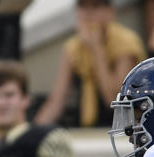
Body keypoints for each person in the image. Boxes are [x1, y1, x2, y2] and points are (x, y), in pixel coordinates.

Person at [34, 0, 146, 128]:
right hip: (86, 128)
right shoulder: (73, 47)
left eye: (95, 7)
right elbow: (56, 101)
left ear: (110, 12)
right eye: (83, 7)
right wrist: (33, 132)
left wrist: (96, 49)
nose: (88, 14)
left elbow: (115, 100)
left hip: (122, 127)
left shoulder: (126, 43)